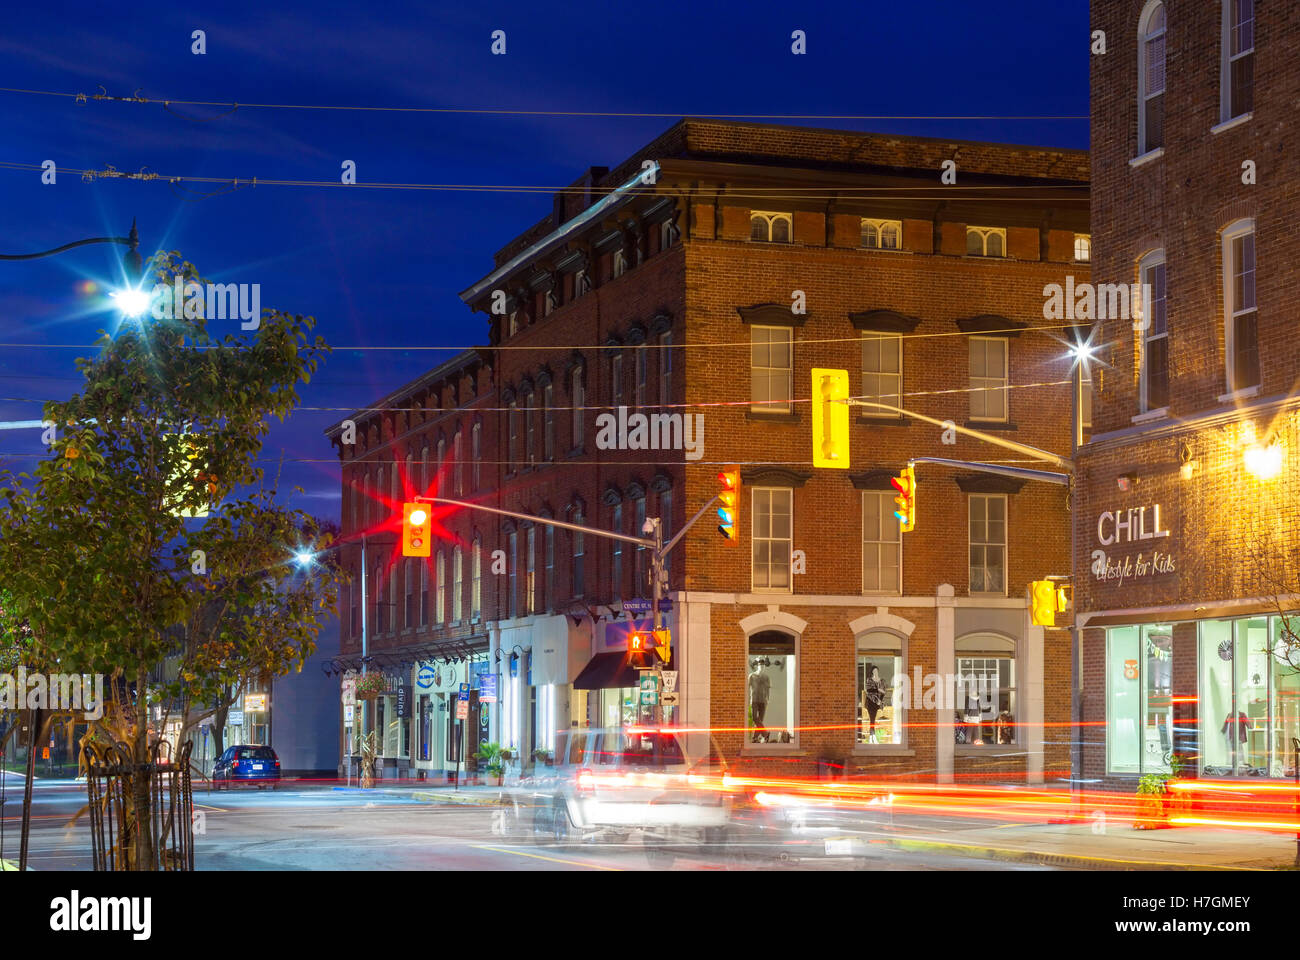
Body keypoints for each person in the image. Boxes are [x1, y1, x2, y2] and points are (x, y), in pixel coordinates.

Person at [862, 663, 886, 743]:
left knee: (874, 719)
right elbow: (869, 691)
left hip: (878, 702)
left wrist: (880, 700)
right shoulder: (869, 680)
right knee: (872, 719)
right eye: (874, 671)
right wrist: (878, 690)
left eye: (876, 670)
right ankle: (873, 737)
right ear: (872, 672)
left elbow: (883, 692)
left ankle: (872, 737)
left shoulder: (882, 680)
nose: (875, 672)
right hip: (871, 702)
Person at [748, 660, 771, 743]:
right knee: (755, 717)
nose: (761, 666)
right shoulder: (752, 676)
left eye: (763, 665)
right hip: (754, 699)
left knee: (760, 720)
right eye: (760, 665)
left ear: (764, 666)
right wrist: (747, 700)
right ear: (757, 665)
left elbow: (768, 689)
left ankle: (755, 738)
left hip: (763, 700)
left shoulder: (766, 677)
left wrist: (768, 699)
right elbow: (747, 688)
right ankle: (765, 734)